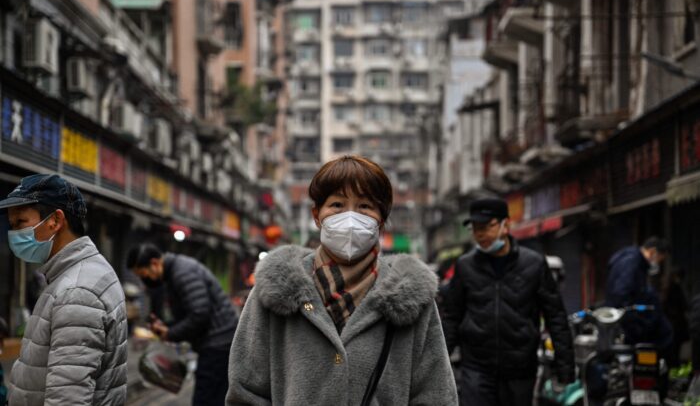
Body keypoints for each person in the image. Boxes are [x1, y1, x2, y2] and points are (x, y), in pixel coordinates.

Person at [226, 155, 458, 405]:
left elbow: (436, 394)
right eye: (337, 204)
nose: (350, 218)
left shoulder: (410, 296)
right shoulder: (276, 290)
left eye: (365, 207)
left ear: (381, 220)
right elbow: (245, 392)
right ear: (317, 215)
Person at [0, 173, 127, 405]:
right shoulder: (77, 274)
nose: (14, 234)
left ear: (55, 221)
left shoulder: (77, 291)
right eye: (11, 225)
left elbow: (68, 397)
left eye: (20, 223)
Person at [442, 197, 575, 406]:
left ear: (506, 225)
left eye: (487, 226)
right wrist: (438, 364)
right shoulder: (465, 266)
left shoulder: (534, 264)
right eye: (475, 228)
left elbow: (555, 316)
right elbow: (451, 317)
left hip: (520, 369)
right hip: (476, 368)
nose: (480, 234)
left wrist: (565, 368)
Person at [126, 243, 239, 406]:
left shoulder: (182, 273)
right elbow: (191, 312)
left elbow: (200, 315)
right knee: (215, 398)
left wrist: (170, 333)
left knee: (205, 399)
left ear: (155, 263)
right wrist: (167, 326)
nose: (145, 281)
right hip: (218, 343)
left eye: (144, 275)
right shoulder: (175, 272)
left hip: (218, 344)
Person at [605, 236, 673, 349]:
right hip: (626, 318)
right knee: (664, 332)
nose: (659, 263)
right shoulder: (632, 262)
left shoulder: (631, 258)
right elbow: (621, 292)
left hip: (625, 316)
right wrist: (632, 319)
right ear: (652, 252)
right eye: (660, 259)